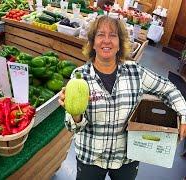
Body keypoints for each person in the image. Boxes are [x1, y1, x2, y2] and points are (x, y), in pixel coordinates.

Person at [58, 15, 186, 180]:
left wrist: (183, 115)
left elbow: (169, 88)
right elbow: (72, 128)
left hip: (127, 157)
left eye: (113, 35)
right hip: (90, 157)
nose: (106, 40)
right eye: (100, 35)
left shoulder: (135, 72)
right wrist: (74, 113)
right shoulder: (80, 77)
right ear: (92, 43)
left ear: (120, 43)